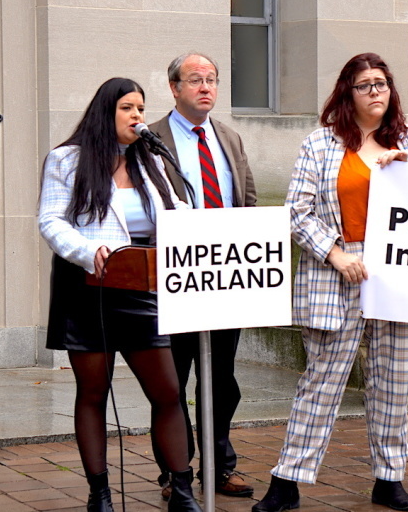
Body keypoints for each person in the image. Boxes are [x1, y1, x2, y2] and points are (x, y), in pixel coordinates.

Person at [253, 53, 408, 512]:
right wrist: (336, 253)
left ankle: (389, 477)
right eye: (365, 85)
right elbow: (297, 212)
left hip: (397, 275)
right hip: (335, 273)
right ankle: (287, 479)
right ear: (346, 93)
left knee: (393, 381)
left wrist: (406, 177)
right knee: (323, 381)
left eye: (382, 83)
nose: (376, 91)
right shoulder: (321, 144)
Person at [38, 77, 201, 512]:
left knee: (167, 392)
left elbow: (175, 213)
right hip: (87, 288)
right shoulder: (66, 160)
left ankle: (182, 491)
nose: (137, 117)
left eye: (141, 108)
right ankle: (100, 495)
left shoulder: (149, 160)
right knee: (93, 392)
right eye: (128, 108)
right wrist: (90, 250)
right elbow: (51, 221)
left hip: (140, 288)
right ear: (105, 112)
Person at [147, 52, 257, 500]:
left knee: (221, 380)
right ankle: (176, 474)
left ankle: (219, 467)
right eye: (196, 80)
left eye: (211, 79)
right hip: (174, 281)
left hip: (224, 278)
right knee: (172, 381)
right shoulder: (149, 139)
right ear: (175, 88)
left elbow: (246, 199)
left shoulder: (228, 138)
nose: (206, 87)